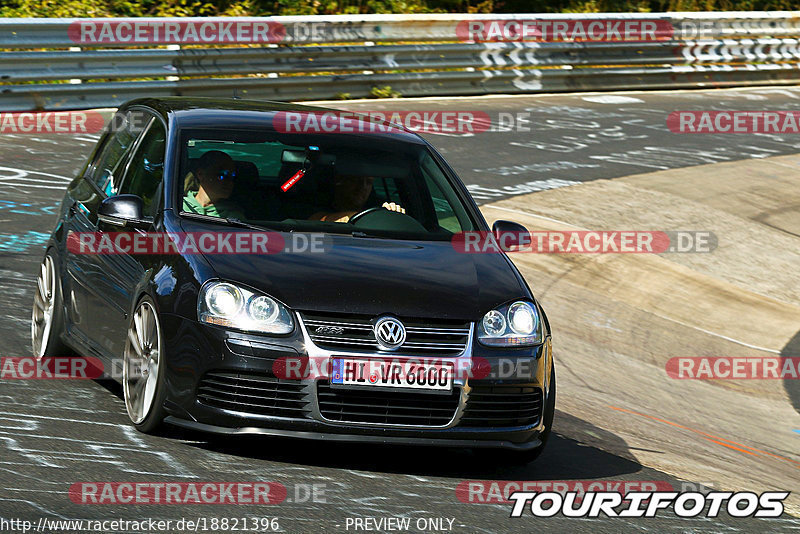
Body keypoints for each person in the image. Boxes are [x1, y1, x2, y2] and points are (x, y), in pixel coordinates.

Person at [310, 175, 404, 223]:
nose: (362, 187)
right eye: (355, 181)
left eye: (368, 182)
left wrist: (393, 215)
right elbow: (319, 220)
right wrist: (379, 216)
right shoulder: (319, 205)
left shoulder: (378, 205)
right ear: (340, 182)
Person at [183, 150, 246, 220]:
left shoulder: (235, 218)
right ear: (200, 174)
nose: (229, 182)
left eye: (232, 176)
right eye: (222, 175)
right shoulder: (178, 206)